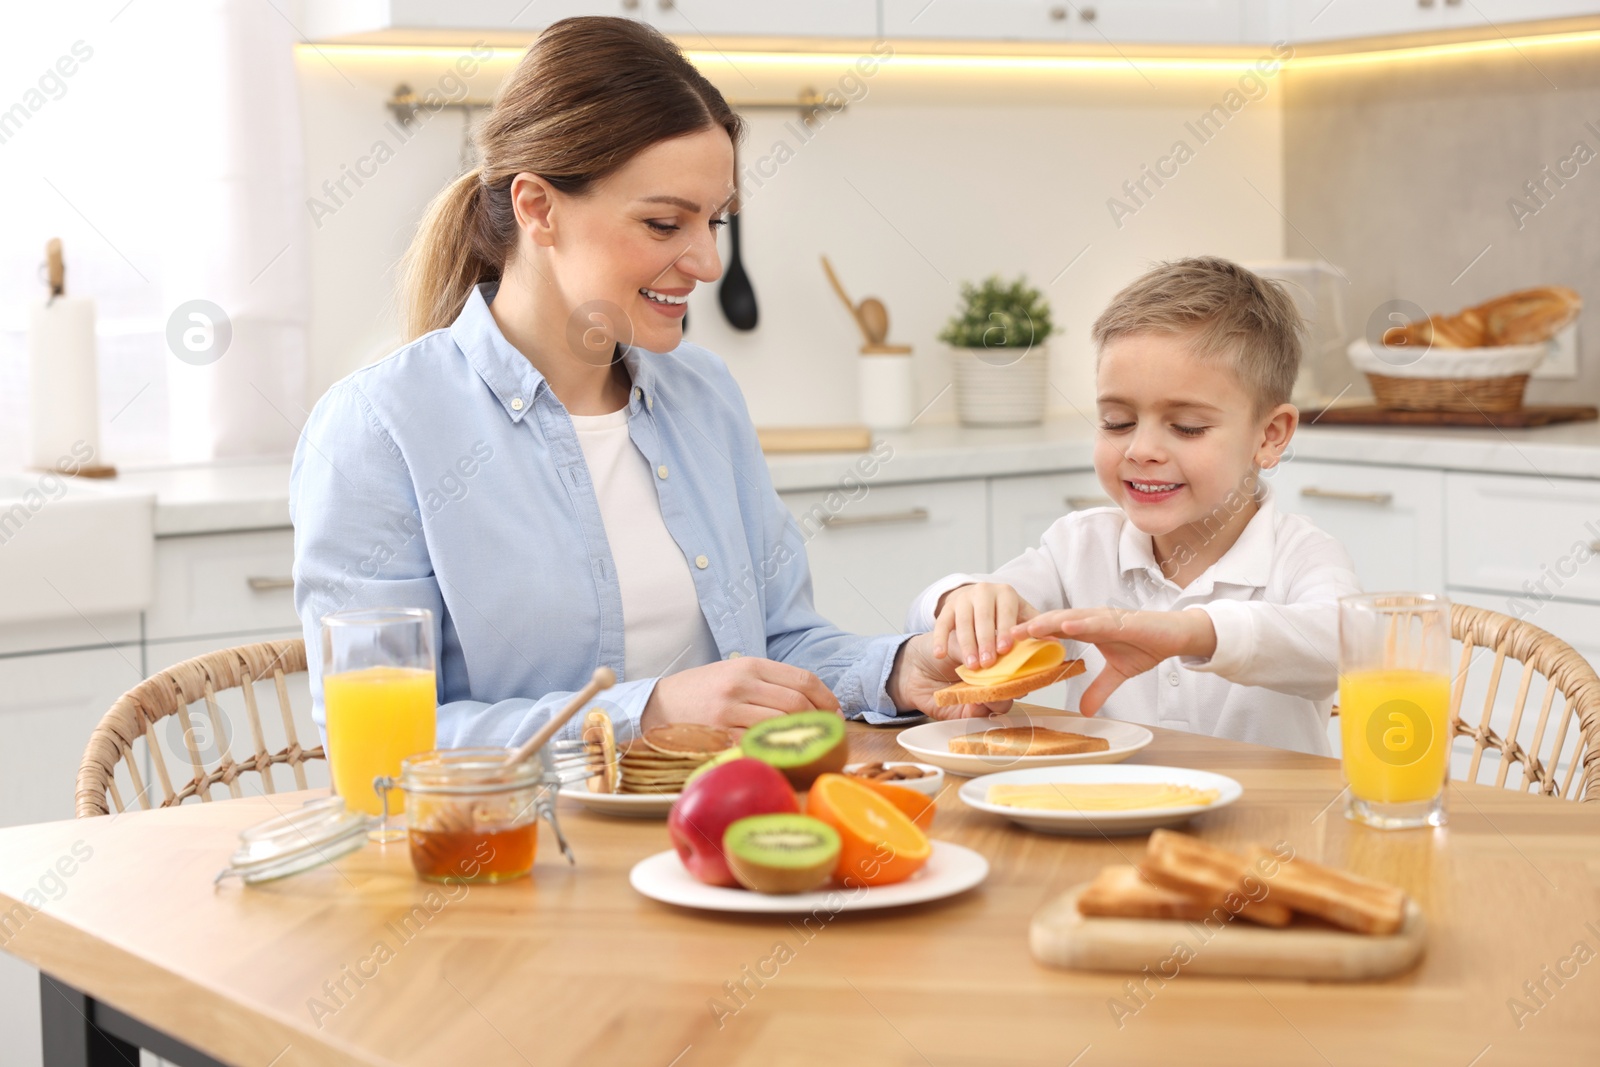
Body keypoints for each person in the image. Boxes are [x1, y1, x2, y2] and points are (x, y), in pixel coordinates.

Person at [291, 17, 982, 750]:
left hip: (716, 840)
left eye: (714, 221)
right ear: (538, 207)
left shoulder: (703, 394)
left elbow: (779, 646)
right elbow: (382, 745)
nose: (708, 262)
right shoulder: (379, 428)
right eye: (663, 224)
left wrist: (901, 667)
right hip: (513, 856)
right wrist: (643, 714)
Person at [903, 257, 1361, 755]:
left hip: (1269, 827)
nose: (1140, 450)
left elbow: (1348, 643)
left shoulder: (1301, 555)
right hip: (1108, 819)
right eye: (1118, 422)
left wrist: (1189, 634)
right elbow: (939, 615)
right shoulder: (1078, 547)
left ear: (1269, 436)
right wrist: (965, 597)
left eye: (1187, 426)